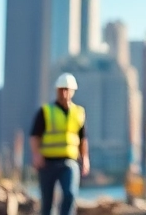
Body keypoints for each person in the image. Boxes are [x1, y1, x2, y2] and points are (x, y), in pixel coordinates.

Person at [29, 73, 90, 215]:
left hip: (69, 162)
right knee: (47, 203)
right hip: (47, 163)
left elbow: (83, 139)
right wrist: (37, 155)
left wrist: (85, 158)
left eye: (67, 89)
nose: (64, 92)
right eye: (61, 89)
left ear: (73, 91)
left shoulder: (79, 112)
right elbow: (34, 136)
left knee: (70, 194)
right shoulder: (45, 111)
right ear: (56, 90)